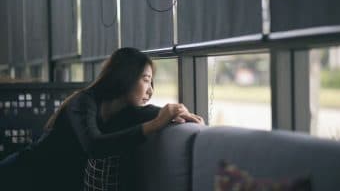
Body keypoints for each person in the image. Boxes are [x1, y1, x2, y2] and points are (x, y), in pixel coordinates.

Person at [0, 47, 204, 191]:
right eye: (146, 80)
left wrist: (179, 113)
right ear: (126, 77)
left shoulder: (125, 111)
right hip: (21, 174)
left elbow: (153, 111)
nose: (150, 90)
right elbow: (94, 145)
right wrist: (156, 123)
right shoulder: (82, 102)